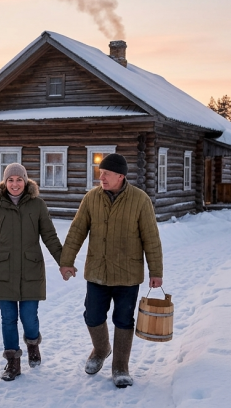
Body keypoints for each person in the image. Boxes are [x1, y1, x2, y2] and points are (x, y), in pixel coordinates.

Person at [59, 153, 163, 388]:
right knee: (92, 315)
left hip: (128, 274)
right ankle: (101, 348)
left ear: (120, 176)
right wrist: (67, 261)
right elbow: (77, 231)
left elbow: (151, 239)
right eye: (100, 173)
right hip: (97, 270)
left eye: (106, 173)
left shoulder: (140, 200)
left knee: (123, 319)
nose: (101, 177)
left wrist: (155, 271)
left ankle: (120, 367)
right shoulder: (91, 198)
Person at [0, 163, 63, 381]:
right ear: (4, 183)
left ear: (26, 181)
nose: (15, 184)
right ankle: (13, 362)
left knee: (29, 317)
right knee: (8, 318)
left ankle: (33, 344)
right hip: (4, 271)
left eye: (19, 180)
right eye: (10, 180)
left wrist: (64, 262)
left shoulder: (38, 205)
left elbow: (50, 237)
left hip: (31, 269)